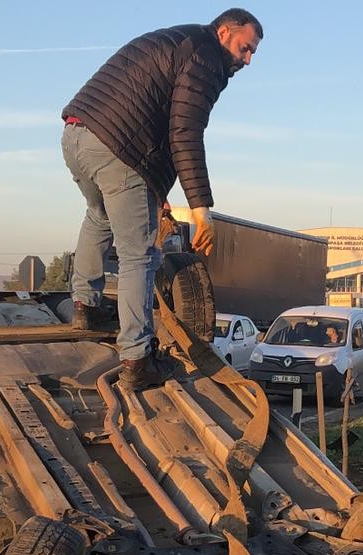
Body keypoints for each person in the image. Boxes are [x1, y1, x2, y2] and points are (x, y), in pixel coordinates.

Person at [61, 8, 262, 390]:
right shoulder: (206, 59)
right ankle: (137, 360)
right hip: (117, 148)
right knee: (140, 253)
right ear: (224, 33)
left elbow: (152, 118)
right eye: (244, 48)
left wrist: (159, 191)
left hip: (77, 135)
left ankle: (84, 306)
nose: (247, 60)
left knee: (99, 215)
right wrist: (202, 210)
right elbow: (184, 132)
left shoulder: (179, 40)